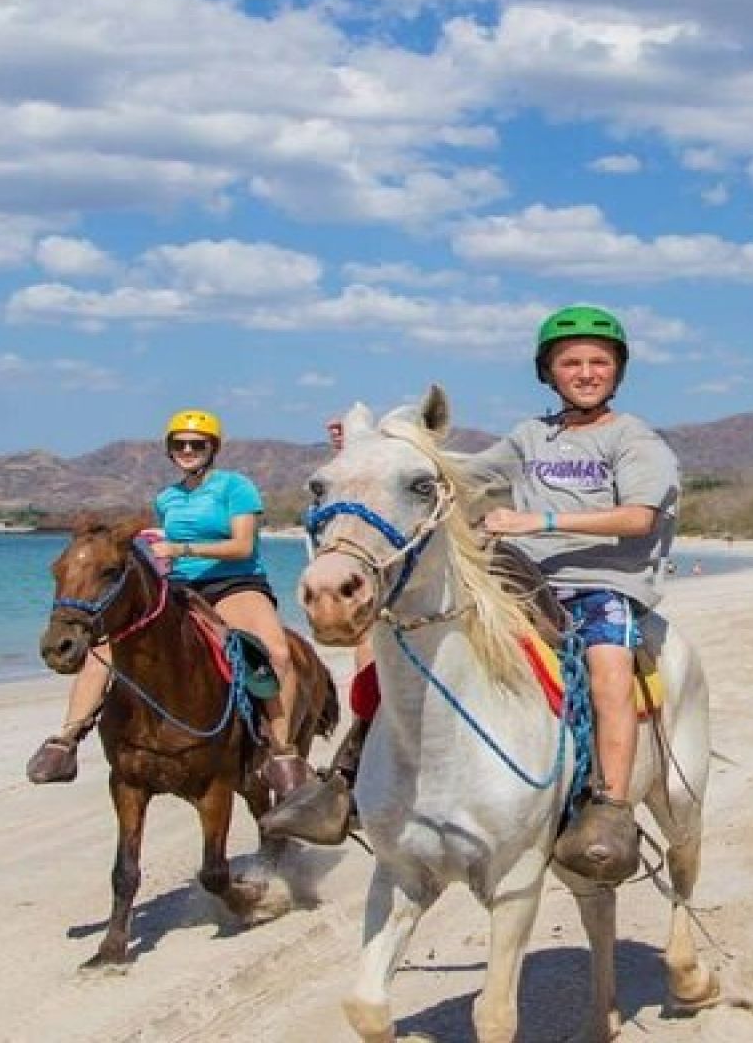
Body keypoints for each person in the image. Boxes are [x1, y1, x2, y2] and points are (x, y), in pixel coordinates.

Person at [267, 305, 680, 885]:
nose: (585, 372)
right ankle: (344, 778)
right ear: (549, 372)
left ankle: (610, 806)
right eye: (571, 363)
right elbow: (459, 475)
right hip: (522, 577)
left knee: (607, 662)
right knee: (405, 638)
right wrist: (376, 453)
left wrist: (538, 522)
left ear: (617, 371)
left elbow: (639, 517)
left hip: (603, 583)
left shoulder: (634, 440)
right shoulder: (530, 437)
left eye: (598, 362)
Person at [25, 408, 316, 801]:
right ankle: (66, 739)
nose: (188, 450)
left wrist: (181, 547)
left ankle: (282, 751)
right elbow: (162, 541)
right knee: (103, 650)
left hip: (235, 583)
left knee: (276, 652)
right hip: (180, 586)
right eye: (180, 444)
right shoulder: (168, 497)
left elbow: (243, 545)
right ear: (170, 450)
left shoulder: (236, 487)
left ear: (212, 448)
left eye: (197, 444)